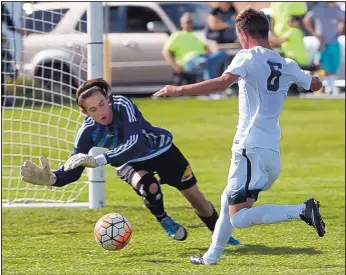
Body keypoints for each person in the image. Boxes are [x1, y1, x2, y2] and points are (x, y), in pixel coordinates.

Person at [154, 7, 325, 265]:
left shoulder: (247, 56)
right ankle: (210, 258)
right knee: (226, 200)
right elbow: (316, 84)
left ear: (244, 34)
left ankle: (302, 210)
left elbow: (223, 83)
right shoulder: (286, 64)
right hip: (270, 154)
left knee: (239, 218)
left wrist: (177, 89)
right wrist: (310, 78)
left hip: (249, 148)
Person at [20, 78, 241, 245]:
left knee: (197, 200)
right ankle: (163, 219)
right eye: (93, 109)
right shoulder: (87, 132)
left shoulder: (123, 105)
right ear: (84, 112)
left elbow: (133, 140)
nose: (101, 111)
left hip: (161, 150)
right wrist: (53, 177)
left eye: (102, 104)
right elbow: (74, 168)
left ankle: (222, 235)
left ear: (108, 98)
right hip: (129, 162)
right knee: (148, 187)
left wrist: (100, 159)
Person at [162, 12, 228, 81]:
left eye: (191, 22)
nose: (189, 24)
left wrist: (212, 52)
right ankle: (213, 87)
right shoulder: (177, 35)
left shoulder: (196, 36)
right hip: (189, 61)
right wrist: (175, 66)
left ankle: (217, 82)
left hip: (203, 57)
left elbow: (206, 49)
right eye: (187, 22)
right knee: (206, 63)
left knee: (222, 54)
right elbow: (165, 51)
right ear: (182, 24)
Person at [303, 2, 345, 95]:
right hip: (323, 42)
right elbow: (307, 20)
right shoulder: (319, 8)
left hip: (334, 41)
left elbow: (342, 20)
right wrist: (315, 35)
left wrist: (339, 30)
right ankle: (325, 87)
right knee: (322, 64)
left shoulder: (338, 8)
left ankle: (331, 86)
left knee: (334, 63)